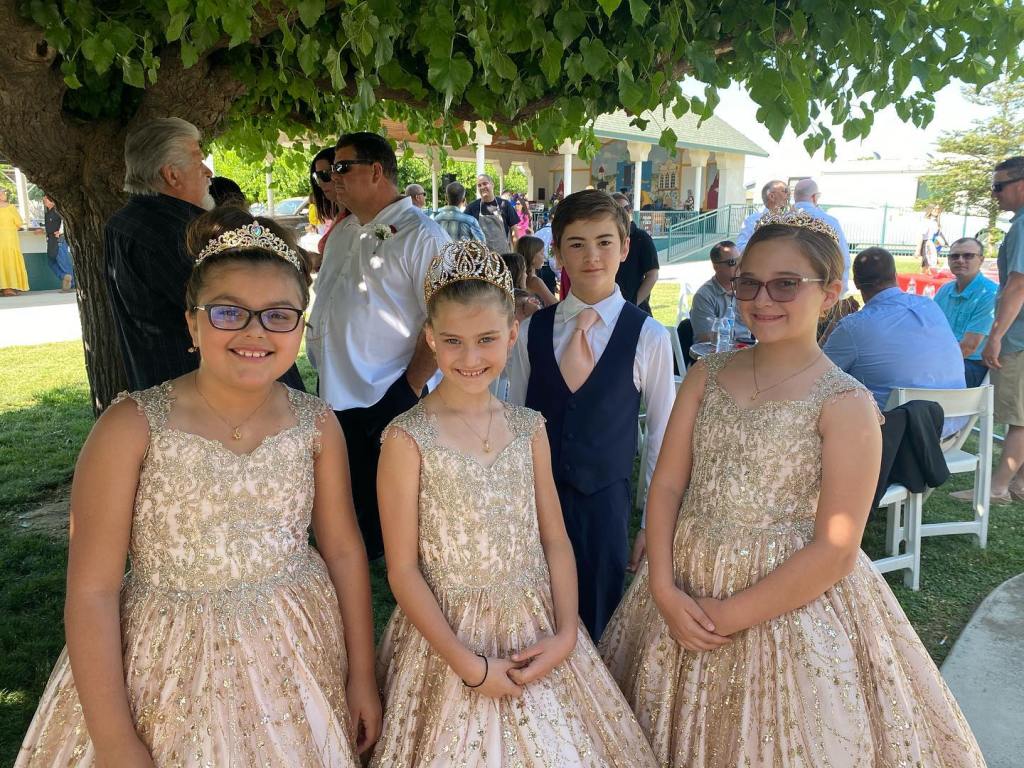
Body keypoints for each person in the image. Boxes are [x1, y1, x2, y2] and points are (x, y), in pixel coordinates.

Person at [598, 208, 986, 767]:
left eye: (786, 284)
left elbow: (836, 548)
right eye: (749, 283)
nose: (763, 299)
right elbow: (667, 486)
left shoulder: (845, 404)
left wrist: (724, 616)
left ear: (829, 292)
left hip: (786, 597)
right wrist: (662, 587)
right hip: (682, 578)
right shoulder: (707, 375)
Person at [16, 208, 381, 767]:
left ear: (300, 327)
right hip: (166, 658)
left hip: (297, 644)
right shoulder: (131, 427)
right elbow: (92, 591)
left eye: (278, 315)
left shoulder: (317, 424)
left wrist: (361, 674)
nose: (255, 331)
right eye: (228, 312)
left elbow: (345, 551)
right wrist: (113, 739)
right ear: (192, 324)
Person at [370, 241, 657, 767]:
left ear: (511, 335)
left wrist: (565, 634)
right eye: (453, 342)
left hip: (535, 623)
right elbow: (403, 569)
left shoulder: (528, 428)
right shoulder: (407, 439)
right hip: (450, 635)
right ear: (431, 338)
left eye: (486, 340)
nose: (471, 358)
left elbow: (555, 540)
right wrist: (469, 666)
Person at [506, 189, 675, 641]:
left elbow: (662, 436)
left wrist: (650, 522)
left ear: (625, 248)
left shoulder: (649, 337)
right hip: (539, 502)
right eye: (576, 244)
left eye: (604, 242)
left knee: (601, 617)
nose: (591, 256)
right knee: (537, 615)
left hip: (606, 505)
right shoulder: (531, 331)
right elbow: (517, 421)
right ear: (558, 254)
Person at [306, 131, 449, 560]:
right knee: (347, 510)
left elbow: (443, 318)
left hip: (387, 394)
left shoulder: (423, 236)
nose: (332, 178)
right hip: (334, 392)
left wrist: (408, 389)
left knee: (393, 520)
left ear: (375, 171)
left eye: (341, 168)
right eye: (328, 172)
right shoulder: (345, 229)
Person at [103, 117, 215, 390]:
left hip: (156, 381)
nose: (208, 172)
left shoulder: (125, 221)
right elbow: (226, 315)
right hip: (195, 389)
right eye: (199, 161)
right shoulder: (175, 233)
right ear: (172, 175)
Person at [822, 247, 965, 421]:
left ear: (857, 283)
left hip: (897, 431)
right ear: (895, 276)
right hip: (954, 422)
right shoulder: (929, 305)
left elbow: (816, 377)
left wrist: (834, 323)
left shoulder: (853, 326)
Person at [970, 155, 1024, 504]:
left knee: (1017, 416)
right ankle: (1018, 484)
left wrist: (996, 336)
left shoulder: (1021, 227)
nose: (994, 193)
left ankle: (998, 487)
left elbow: (1018, 286)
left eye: (999, 186)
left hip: (1017, 336)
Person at [934, 236, 997, 388]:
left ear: (981, 260)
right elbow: (928, 328)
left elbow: (968, 347)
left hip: (970, 364)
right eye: (954, 256)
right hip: (942, 358)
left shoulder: (989, 294)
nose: (960, 260)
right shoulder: (945, 290)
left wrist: (927, 362)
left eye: (968, 256)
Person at [792, 177, 851, 292]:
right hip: (821, 288)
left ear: (795, 197)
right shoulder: (830, 222)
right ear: (815, 197)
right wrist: (840, 291)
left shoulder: (780, 220)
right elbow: (843, 258)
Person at [690, 240, 751, 342]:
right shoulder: (704, 296)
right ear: (716, 267)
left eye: (740, 260)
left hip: (748, 347)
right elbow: (706, 338)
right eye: (732, 262)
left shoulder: (747, 289)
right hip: (721, 350)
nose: (738, 266)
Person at [610, 192, 660, 314]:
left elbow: (652, 275)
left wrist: (632, 304)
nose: (623, 213)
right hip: (609, 306)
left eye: (626, 208)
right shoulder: (607, 238)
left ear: (630, 210)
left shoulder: (641, 238)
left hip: (635, 309)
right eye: (617, 210)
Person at [465, 174, 519, 253]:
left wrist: (517, 254)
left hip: (503, 256)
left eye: (485, 184)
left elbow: (514, 231)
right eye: (479, 185)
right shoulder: (472, 207)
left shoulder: (505, 205)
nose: (482, 187)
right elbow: (464, 231)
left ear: (492, 185)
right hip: (481, 257)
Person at [735, 179, 789, 253]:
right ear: (772, 196)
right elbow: (740, 247)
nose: (788, 195)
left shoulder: (791, 218)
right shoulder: (753, 220)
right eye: (785, 191)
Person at [0, 187, 30, 296]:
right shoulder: (11, 208)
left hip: (5, 237)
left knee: (3, 260)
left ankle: (5, 287)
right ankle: (9, 287)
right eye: (3, 193)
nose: (5, 195)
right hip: (10, 238)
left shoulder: (11, 207)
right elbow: (19, 223)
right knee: (10, 260)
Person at [515, 234, 558, 307]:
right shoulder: (535, 281)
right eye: (542, 253)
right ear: (532, 256)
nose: (544, 256)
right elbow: (556, 305)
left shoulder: (522, 277)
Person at [43, 195, 74, 292]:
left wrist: (61, 231)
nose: (44, 200)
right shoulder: (48, 213)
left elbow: (67, 221)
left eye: (46, 199)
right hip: (51, 239)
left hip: (59, 239)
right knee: (51, 262)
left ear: (52, 201)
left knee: (63, 262)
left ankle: (71, 285)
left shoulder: (59, 210)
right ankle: (65, 277)